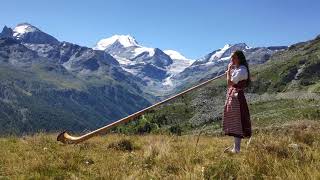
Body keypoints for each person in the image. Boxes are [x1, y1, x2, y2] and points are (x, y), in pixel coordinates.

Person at [223, 50, 252, 153]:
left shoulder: (242, 70)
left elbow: (230, 82)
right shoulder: (239, 69)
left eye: (234, 58)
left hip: (237, 97)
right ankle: (236, 148)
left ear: (239, 58)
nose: (232, 60)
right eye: (232, 58)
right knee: (235, 121)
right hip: (234, 96)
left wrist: (228, 72)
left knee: (237, 121)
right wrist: (230, 71)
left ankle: (237, 149)